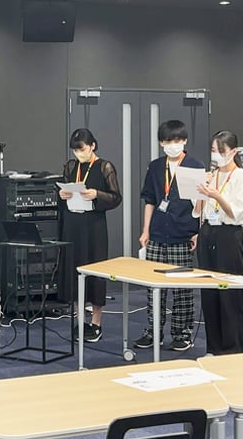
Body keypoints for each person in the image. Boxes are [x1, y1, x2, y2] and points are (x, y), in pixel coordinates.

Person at [134, 120, 205, 352]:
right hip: (157, 233)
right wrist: (145, 230)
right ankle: (153, 331)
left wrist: (198, 231)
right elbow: (150, 200)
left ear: (184, 141)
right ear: (161, 143)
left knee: (182, 288)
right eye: (167, 141)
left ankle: (182, 332)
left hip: (183, 232)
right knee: (154, 287)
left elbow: (201, 202)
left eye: (176, 140)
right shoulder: (156, 167)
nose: (172, 145)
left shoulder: (195, 166)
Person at [58, 128, 122, 343]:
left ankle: (96, 322)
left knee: (95, 271)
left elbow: (115, 197)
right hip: (73, 224)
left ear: (92, 146)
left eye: (82, 149)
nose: (79, 154)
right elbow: (61, 195)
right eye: (75, 150)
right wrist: (62, 194)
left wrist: (97, 194)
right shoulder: (71, 166)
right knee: (75, 270)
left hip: (93, 226)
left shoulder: (104, 167)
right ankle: (80, 320)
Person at [193, 130, 243, 355]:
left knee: (230, 294)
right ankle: (213, 346)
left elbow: (236, 213)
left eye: (221, 150)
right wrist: (202, 191)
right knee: (210, 293)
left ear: (233, 151)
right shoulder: (211, 175)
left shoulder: (241, 177)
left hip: (229, 234)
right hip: (208, 232)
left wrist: (216, 195)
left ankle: (232, 348)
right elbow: (197, 211)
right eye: (213, 150)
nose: (216, 155)